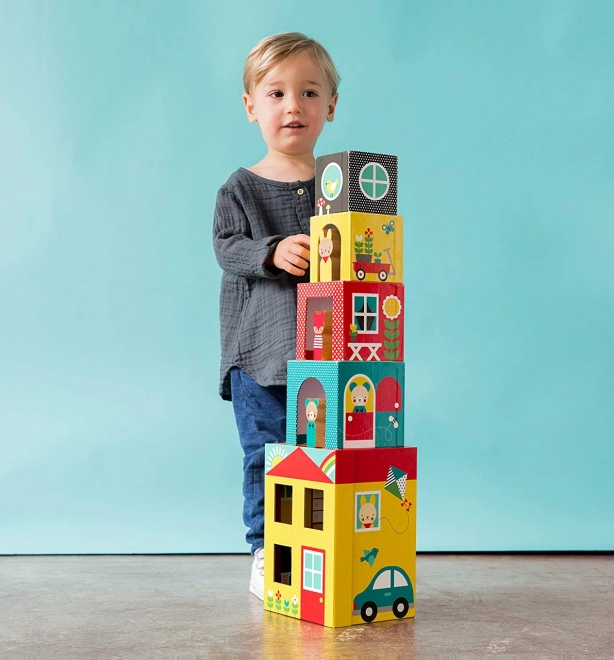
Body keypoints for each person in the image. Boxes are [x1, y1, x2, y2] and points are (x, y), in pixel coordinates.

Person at [212, 32, 340, 600]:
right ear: (251, 106)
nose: (294, 106)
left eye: (310, 92)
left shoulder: (341, 188)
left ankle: (325, 545)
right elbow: (226, 247)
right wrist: (270, 250)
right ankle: (267, 550)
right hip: (258, 358)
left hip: (329, 359)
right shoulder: (239, 187)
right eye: (277, 93)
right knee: (265, 459)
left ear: (330, 106)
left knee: (323, 458)